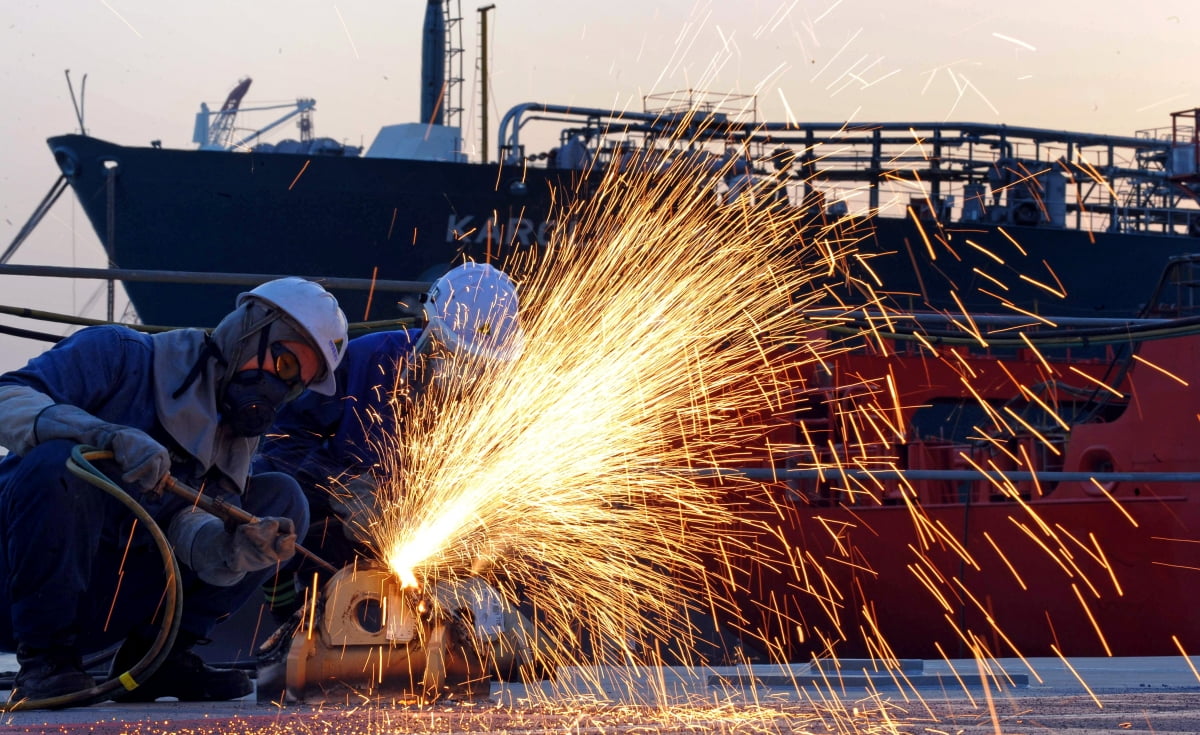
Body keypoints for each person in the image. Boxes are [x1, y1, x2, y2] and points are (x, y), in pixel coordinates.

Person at [0, 277, 349, 704]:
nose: (277, 389)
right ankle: (45, 662)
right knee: (59, 464)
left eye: (293, 384)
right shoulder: (119, 356)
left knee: (281, 500)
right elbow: (7, 397)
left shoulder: (235, 437)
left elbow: (187, 524)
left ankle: (156, 659)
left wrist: (230, 550)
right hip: (15, 579)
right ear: (248, 331)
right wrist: (100, 434)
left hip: (103, 601)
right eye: (285, 366)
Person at [254, 263, 524, 615]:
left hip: (428, 536)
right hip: (347, 522)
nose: (465, 373)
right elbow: (284, 439)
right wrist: (341, 487)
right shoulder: (369, 359)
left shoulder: (504, 403)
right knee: (278, 494)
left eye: (479, 364)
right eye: (456, 355)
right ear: (427, 326)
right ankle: (289, 612)